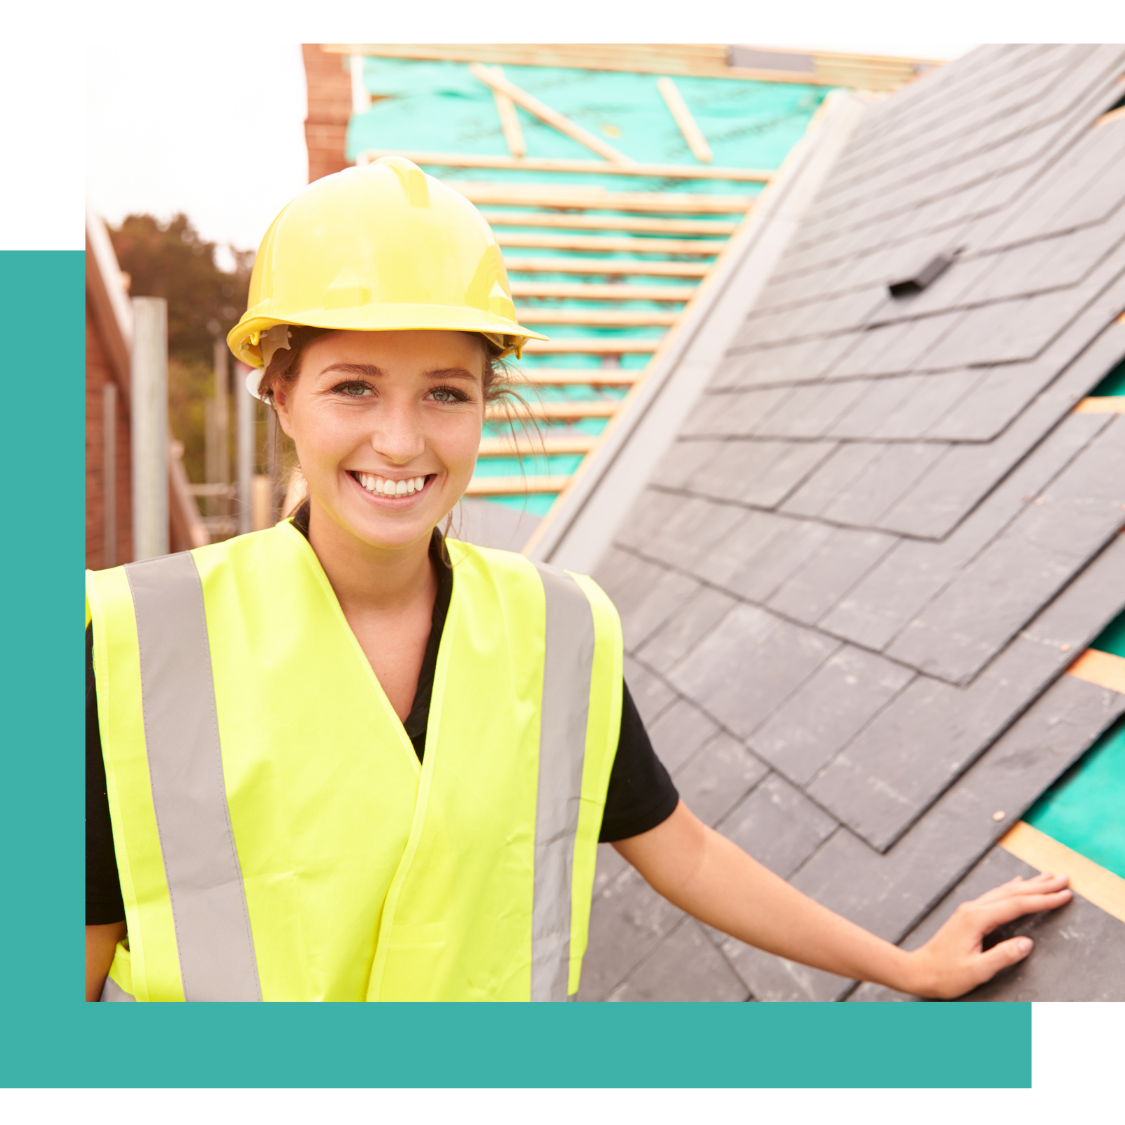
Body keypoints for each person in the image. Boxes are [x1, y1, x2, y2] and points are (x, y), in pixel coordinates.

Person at [86, 157, 1072, 1002]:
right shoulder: (138, 644)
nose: (401, 439)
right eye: (354, 386)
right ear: (281, 392)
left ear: (485, 405)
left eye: (445, 393)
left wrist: (908, 968)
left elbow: (680, 850)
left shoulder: (554, 631)